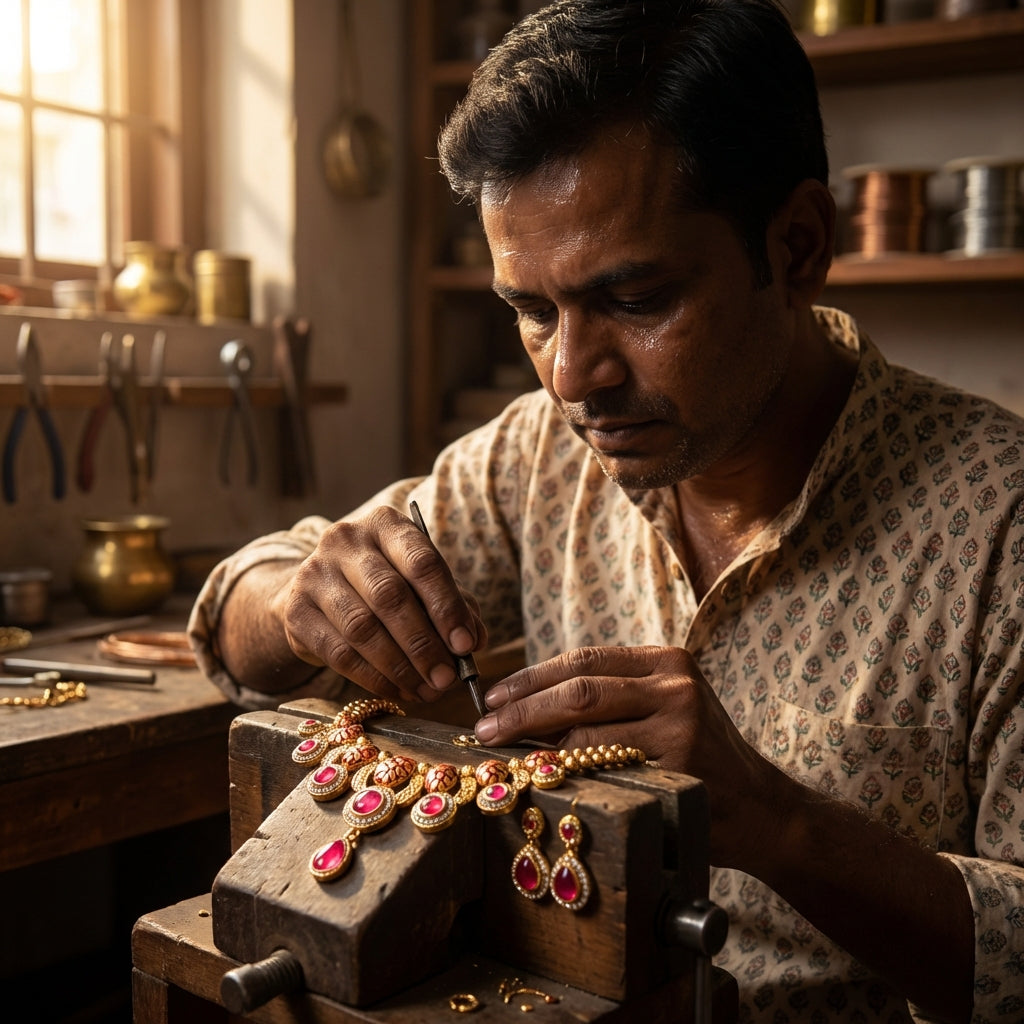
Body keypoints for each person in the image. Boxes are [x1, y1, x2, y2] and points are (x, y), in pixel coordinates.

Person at [189, 1, 1024, 1020]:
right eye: (532, 311)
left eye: (636, 300)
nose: (572, 376)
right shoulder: (537, 456)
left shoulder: (1000, 527)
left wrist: (776, 821)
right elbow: (236, 628)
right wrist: (294, 598)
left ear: (798, 246)